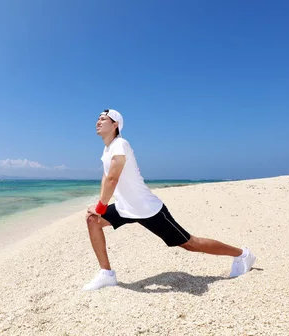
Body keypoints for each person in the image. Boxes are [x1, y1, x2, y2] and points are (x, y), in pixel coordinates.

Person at [83, 109, 256, 291]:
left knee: (190, 243)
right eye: (98, 119)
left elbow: (113, 179)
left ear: (115, 124)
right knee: (92, 220)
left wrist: (101, 206)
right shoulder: (108, 148)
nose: (98, 121)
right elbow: (106, 177)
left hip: (148, 209)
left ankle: (243, 254)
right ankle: (107, 274)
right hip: (126, 207)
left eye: (103, 119)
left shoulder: (120, 144)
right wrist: (98, 205)